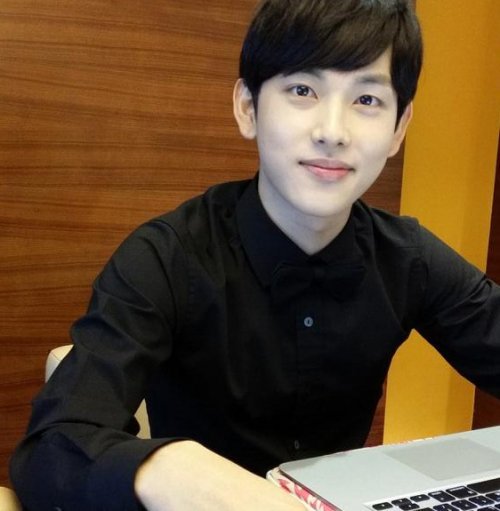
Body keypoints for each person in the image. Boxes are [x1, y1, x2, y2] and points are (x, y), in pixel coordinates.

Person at [10, 0, 500, 510]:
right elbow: (51, 451)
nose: (333, 132)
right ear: (248, 108)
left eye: (367, 99)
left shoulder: (408, 258)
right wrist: (173, 467)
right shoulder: (165, 256)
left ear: (399, 128)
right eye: (303, 90)